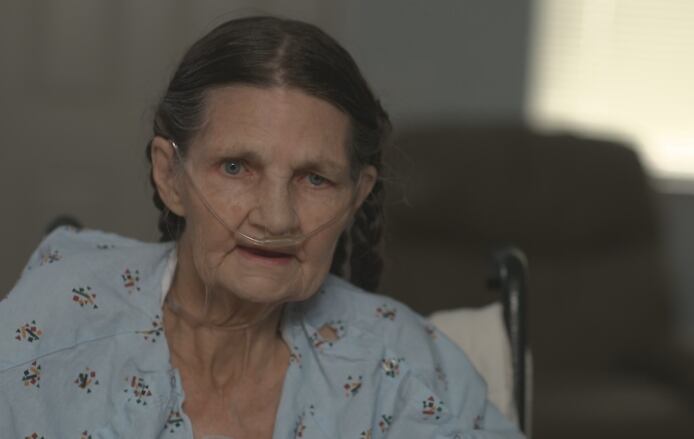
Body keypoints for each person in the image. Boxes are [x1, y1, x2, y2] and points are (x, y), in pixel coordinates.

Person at [0, 16, 523, 439]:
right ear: (170, 175)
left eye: (315, 179)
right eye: (236, 167)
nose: (275, 218)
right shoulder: (57, 332)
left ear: (356, 195)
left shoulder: (405, 371)